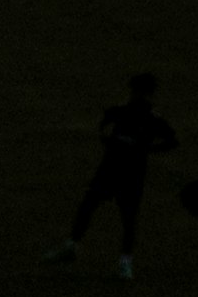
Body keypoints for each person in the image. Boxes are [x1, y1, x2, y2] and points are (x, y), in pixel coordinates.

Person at [53, 71, 176, 274]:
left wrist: (144, 149)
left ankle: (123, 261)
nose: (137, 95)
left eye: (140, 91)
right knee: (90, 206)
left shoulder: (148, 117)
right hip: (114, 170)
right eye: (137, 91)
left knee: (124, 217)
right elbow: (104, 124)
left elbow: (172, 141)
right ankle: (74, 246)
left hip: (126, 173)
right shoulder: (129, 112)